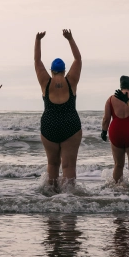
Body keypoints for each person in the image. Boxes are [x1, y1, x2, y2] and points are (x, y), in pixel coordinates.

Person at [34, 29, 83, 190]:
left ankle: (52, 198)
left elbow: (37, 60)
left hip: (49, 125)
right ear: (64, 70)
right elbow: (78, 58)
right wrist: (70, 38)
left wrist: (38, 40)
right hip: (70, 124)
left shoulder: (45, 82)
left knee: (52, 164)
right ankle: (68, 199)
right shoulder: (71, 80)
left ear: (51, 70)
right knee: (69, 167)